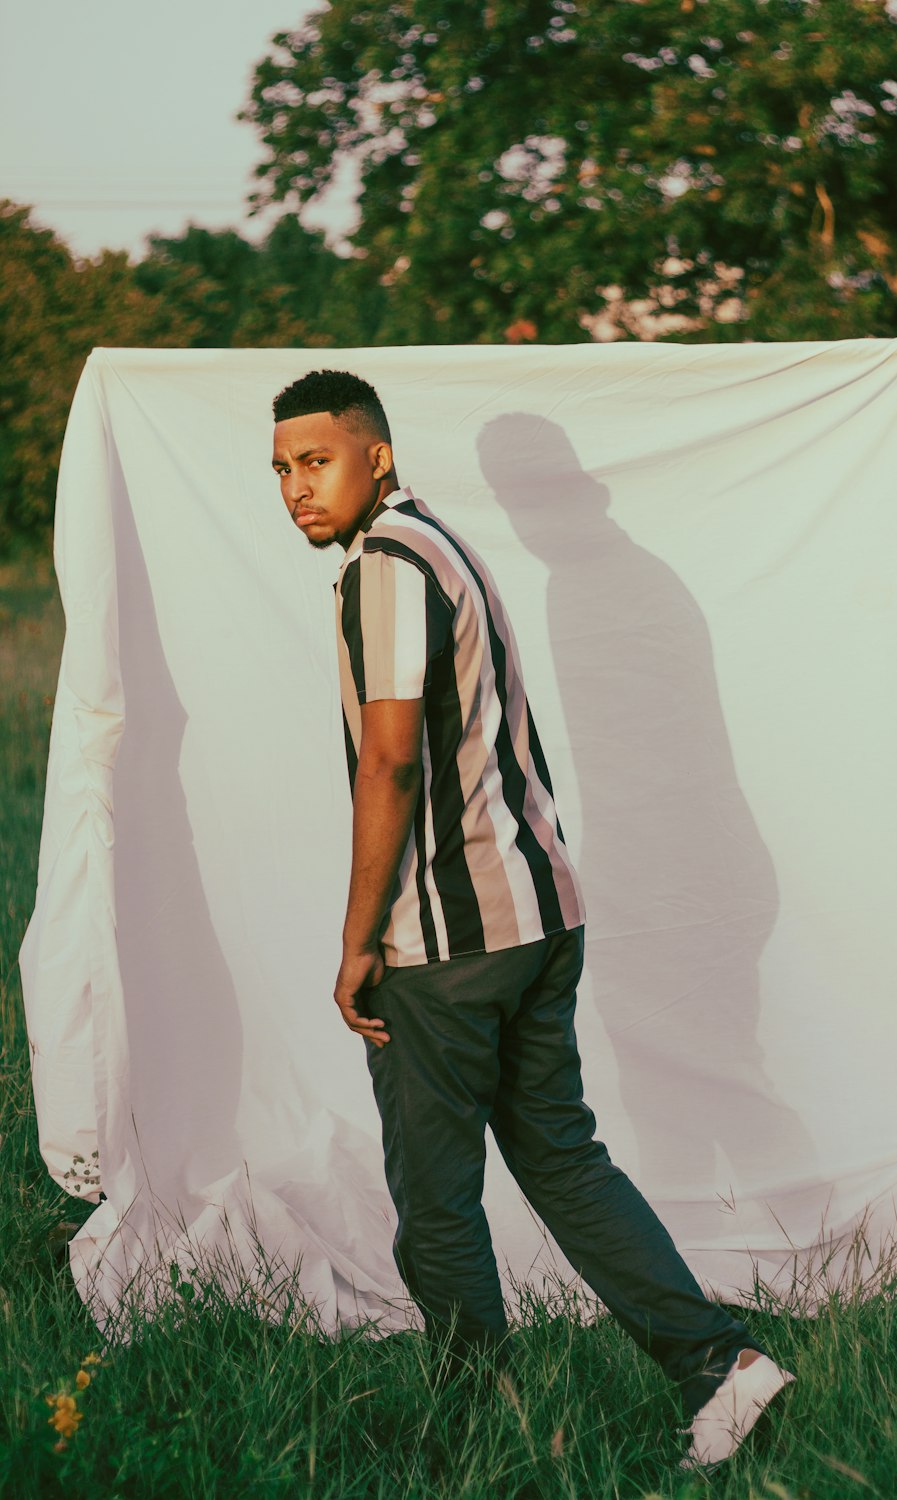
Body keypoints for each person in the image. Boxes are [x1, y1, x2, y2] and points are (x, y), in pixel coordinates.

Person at [270, 367, 796, 1472]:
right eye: (280, 470)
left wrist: (362, 939)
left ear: (376, 454)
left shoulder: (388, 568)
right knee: (562, 1161)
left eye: (315, 461)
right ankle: (725, 1369)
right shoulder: (450, 545)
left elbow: (392, 752)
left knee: (437, 1200)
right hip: (541, 914)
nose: (295, 489)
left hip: (448, 941)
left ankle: (473, 1438)